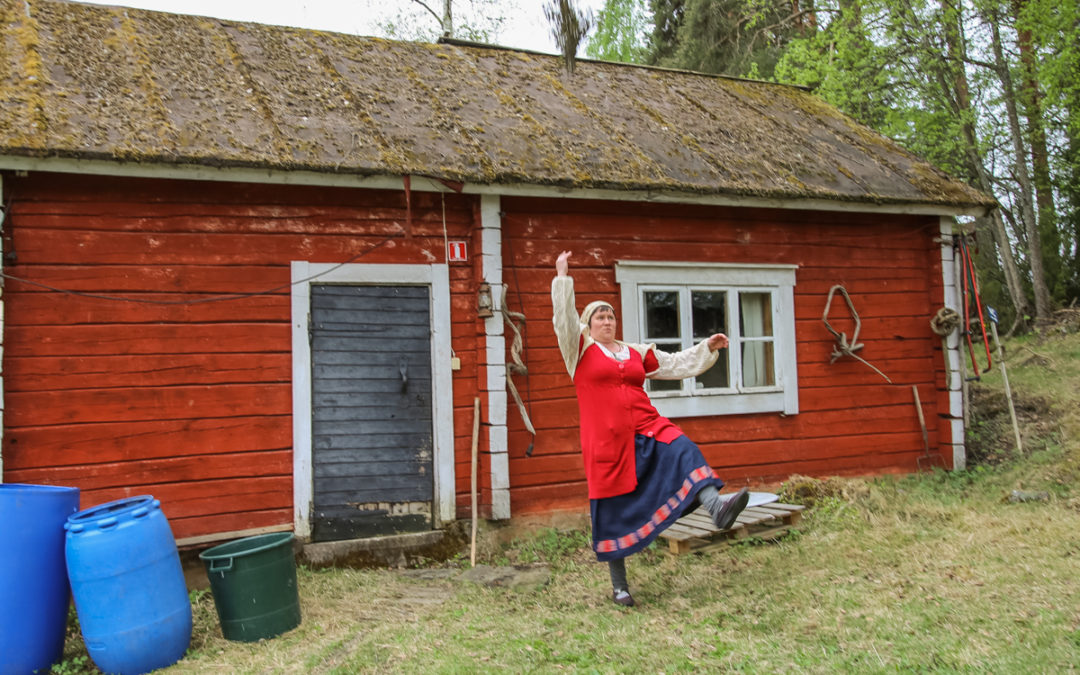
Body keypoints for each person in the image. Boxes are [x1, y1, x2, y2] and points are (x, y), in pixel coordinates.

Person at [551, 250, 749, 607]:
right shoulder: (578, 349)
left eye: (611, 316)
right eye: (600, 316)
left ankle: (716, 507)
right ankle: (620, 586)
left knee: (682, 447)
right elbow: (563, 320)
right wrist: (563, 278)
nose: (608, 321)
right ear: (588, 324)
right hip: (607, 441)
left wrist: (706, 347)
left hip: (646, 426)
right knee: (612, 509)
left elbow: (674, 363)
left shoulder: (634, 352)